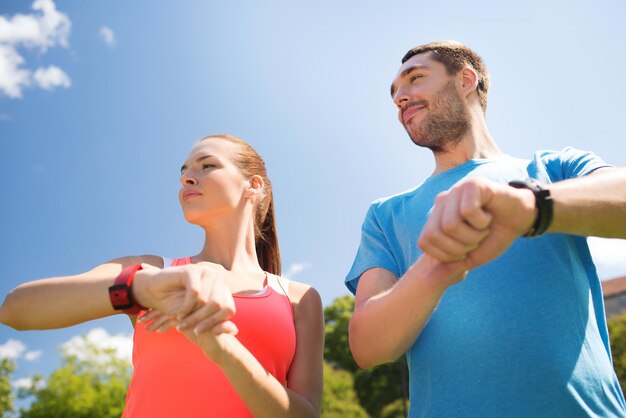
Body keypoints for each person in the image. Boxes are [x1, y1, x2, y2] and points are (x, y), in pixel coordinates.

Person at [346, 41, 626, 417]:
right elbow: (367, 347)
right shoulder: (386, 214)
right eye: (394, 92)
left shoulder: (555, 169)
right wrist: (436, 267)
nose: (400, 97)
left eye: (415, 79)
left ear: (466, 79)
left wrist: (531, 205)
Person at [0, 134, 324, 418]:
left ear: (253, 185)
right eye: (183, 171)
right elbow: (16, 309)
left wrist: (227, 352)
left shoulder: (299, 298)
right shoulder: (155, 271)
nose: (186, 178)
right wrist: (140, 288)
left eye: (206, 165)